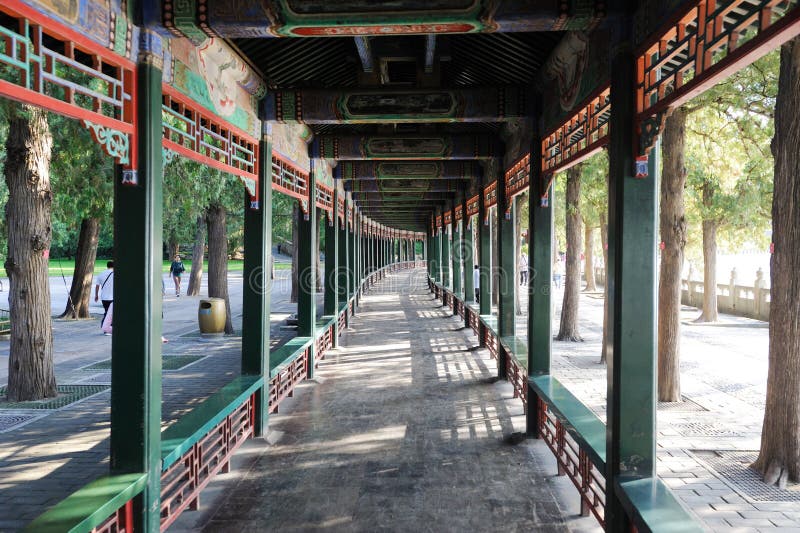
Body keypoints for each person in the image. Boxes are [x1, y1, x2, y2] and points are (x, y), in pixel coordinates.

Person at [94, 261, 114, 330]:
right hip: (112, 297)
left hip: (104, 297)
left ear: (107, 266)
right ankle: (106, 328)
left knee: (107, 312)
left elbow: (97, 286)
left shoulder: (101, 274)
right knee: (109, 314)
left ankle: (106, 327)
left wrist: (96, 295)